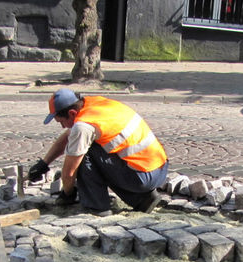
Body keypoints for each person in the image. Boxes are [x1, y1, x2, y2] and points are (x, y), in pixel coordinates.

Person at [27, 88, 169, 214]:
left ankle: (96, 207)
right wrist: (44, 163)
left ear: (71, 113)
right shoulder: (93, 104)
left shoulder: (84, 126)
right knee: (91, 146)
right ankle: (142, 199)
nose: (63, 127)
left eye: (61, 122)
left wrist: (67, 193)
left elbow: (70, 171)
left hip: (142, 177)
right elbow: (68, 136)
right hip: (159, 169)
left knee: (85, 152)